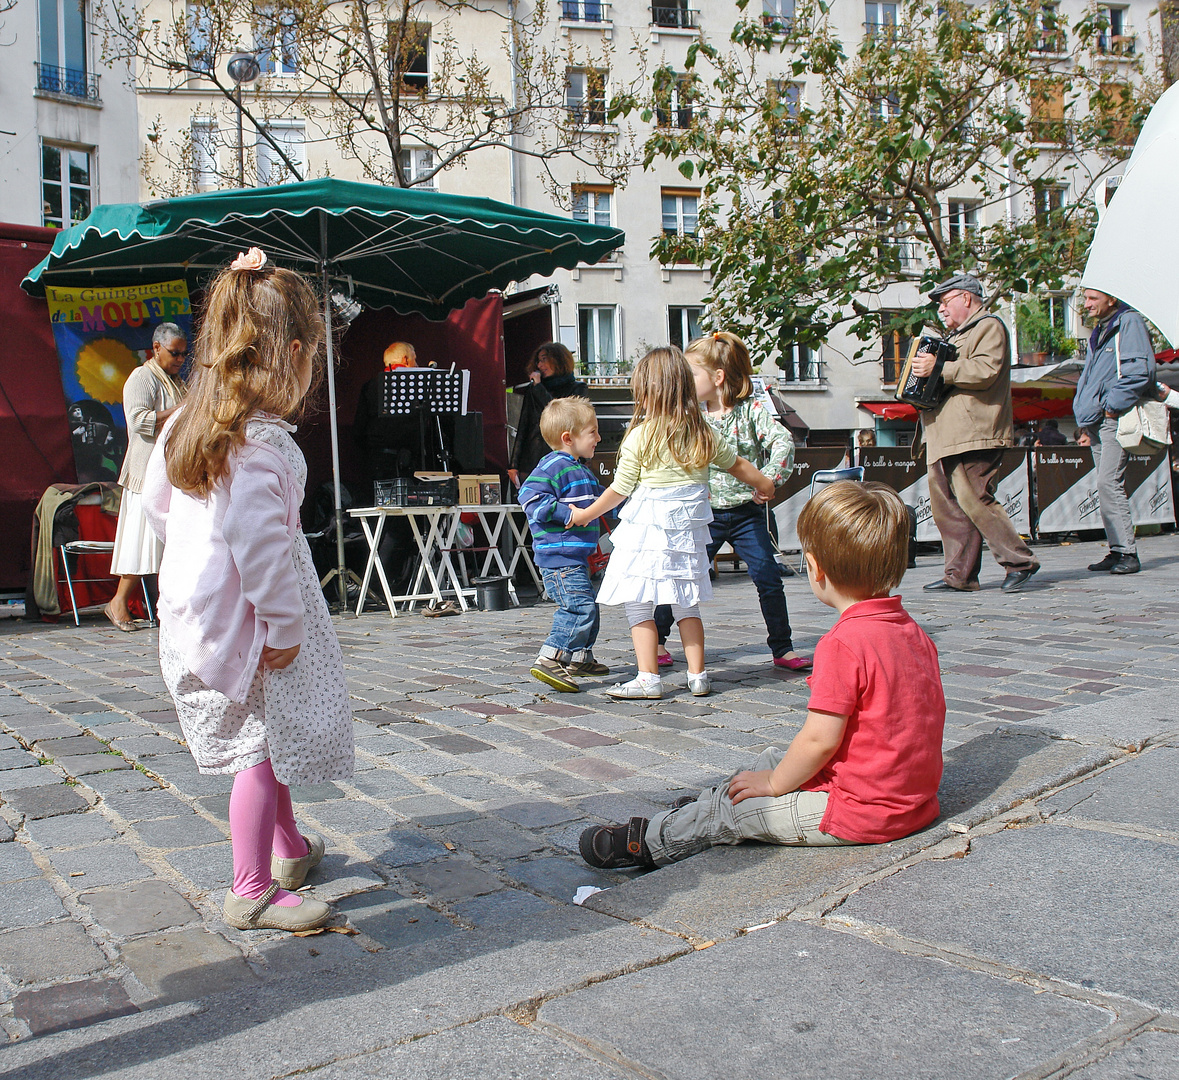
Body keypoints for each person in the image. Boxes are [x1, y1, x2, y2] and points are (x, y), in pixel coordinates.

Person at [143, 248, 354, 933]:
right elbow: (262, 551)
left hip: (192, 619)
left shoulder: (185, 424)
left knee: (273, 732)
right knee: (257, 751)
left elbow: (154, 509)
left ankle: (288, 850)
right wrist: (284, 627)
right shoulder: (264, 447)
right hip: (248, 627)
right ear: (293, 353)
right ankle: (250, 888)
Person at [579, 480, 945, 869]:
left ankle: (655, 840)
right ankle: (707, 805)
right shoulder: (912, 630)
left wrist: (772, 787)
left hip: (859, 812)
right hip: (912, 798)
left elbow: (821, 741)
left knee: (738, 812)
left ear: (815, 568)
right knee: (774, 757)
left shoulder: (844, 643)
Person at [567, 346, 774, 699]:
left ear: (648, 392)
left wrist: (584, 514)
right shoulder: (703, 432)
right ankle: (698, 675)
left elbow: (620, 489)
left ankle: (648, 678)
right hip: (687, 534)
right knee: (685, 603)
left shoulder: (641, 436)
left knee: (638, 602)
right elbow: (737, 465)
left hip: (648, 531)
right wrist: (764, 483)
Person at [652, 332, 808, 672]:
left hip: (747, 514)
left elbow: (784, 443)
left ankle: (782, 647)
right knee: (680, 575)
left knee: (768, 576)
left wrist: (768, 480)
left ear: (718, 377)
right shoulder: (690, 417)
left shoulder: (751, 412)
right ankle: (658, 639)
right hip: (702, 515)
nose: (686, 382)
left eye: (692, 374)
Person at [910, 273, 1040, 593]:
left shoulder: (989, 326)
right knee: (949, 509)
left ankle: (1019, 561)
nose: (941, 309)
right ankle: (959, 575)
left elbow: (985, 371)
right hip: (946, 433)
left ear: (965, 298)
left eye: (945, 301)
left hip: (974, 431)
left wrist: (938, 368)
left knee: (974, 499)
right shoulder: (957, 335)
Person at [518, 397, 609, 693]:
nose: (598, 438)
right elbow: (529, 497)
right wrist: (568, 513)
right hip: (559, 556)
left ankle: (580, 658)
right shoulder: (555, 465)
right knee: (578, 608)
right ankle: (551, 656)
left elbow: (603, 501)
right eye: (592, 432)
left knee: (588, 606)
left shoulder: (581, 469)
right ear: (568, 438)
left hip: (574, 556)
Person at [104, 323, 188, 631]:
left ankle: (166, 607)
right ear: (156, 348)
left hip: (173, 475)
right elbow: (139, 421)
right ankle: (118, 602)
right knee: (141, 543)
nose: (180, 359)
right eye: (174, 353)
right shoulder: (142, 378)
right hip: (144, 474)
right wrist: (182, 410)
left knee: (170, 545)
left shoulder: (177, 382)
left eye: (183, 354)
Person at [1073, 289, 1156, 576]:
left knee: (1109, 482)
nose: (1086, 304)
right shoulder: (1102, 329)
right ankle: (1117, 548)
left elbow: (1139, 372)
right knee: (1104, 484)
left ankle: (1128, 553)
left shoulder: (1128, 322)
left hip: (1114, 418)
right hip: (1097, 418)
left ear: (1112, 298)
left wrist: (1111, 407)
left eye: (1093, 298)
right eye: (1085, 298)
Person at [508, 342, 589, 489]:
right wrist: (514, 465)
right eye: (538, 361)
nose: (540, 365)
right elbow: (523, 425)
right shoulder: (533, 388)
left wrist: (539, 388)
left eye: (544, 359)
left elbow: (560, 415)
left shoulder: (577, 388)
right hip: (532, 458)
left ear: (558, 360)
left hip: (561, 458)